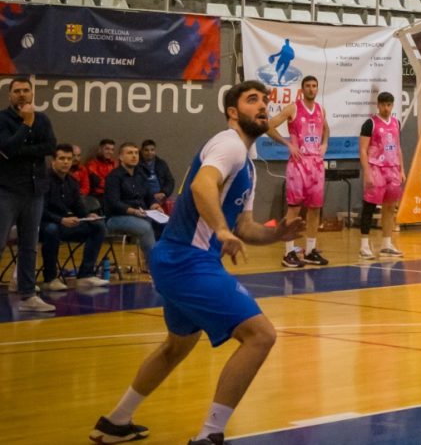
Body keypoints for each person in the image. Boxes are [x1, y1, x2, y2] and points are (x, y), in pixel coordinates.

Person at [89, 81, 305, 445]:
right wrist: (220, 230)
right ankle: (210, 434)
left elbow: (245, 227)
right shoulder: (229, 143)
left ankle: (115, 422)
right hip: (187, 261)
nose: (263, 106)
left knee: (177, 346)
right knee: (260, 336)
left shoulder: (248, 166)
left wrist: (276, 236)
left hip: (177, 260)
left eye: (266, 101)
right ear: (233, 112)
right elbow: (202, 187)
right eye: (253, 100)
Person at [0, 77, 58, 312]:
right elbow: (6, 150)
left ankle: (27, 295)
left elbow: (50, 147)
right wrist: (26, 124)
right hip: (7, 191)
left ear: (32, 94)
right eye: (17, 91)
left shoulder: (42, 119)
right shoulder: (2, 119)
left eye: (26, 90)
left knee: (29, 245)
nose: (22, 94)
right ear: (10, 95)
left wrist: (21, 150)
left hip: (34, 191)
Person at [267, 75, 330, 268]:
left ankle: (310, 251)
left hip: (316, 165)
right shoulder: (293, 107)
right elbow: (269, 126)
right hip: (298, 165)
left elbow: (326, 129)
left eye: (314, 86)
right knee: (294, 209)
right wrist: (287, 144)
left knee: (315, 209)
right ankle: (288, 253)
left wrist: (325, 144)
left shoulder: (320, 109)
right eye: (308, 86)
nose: (312, 89)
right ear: (302, 90)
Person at [40, 143, 109, 291]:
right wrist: (60, 220)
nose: (66, 162)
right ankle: (50, 278)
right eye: (62, 158)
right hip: (44, 224)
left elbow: (78, 206)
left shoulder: (72, 182)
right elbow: (40, 210)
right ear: (53, 161)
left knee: (97, 227)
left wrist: (87, 215)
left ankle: (86, 274)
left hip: (65, 223)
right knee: (51, 230)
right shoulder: (44, 179)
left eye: (69, 159)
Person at [358, 92, 405, 260]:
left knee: (390, 208)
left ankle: (386, 244)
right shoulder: (370, 123)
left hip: (392, 169)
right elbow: (363, 150)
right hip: (376, 168)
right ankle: (364, 245)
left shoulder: (396, 123)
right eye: (383, 104)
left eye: (389, 105)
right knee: (369, 207)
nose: (386, 108)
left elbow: (398, 147)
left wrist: (401, 170)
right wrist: (367, 172)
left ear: (392, 105)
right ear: (378, 105)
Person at [103, 141, 163, 265]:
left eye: (136, 153)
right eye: (130, 153)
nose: (134, 156)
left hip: (141, 214)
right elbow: (114, 203)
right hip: (117, 217)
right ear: (120, 157)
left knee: (166, 224)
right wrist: (133, 211)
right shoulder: (113, 177)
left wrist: (155, 205)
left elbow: (149, 197)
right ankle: (153, 264)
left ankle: (166, 260)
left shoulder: (140, 175)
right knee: (145, 227)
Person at [137, 139, 175, 208]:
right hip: (144, 198)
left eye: (152, 150)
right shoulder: (136, 165)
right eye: (146, 150)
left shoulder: (161, 163)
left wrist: (164, 193)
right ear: (142, 151)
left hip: (161, 196)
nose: (149, 152)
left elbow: (170, 181)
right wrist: (151, 197)